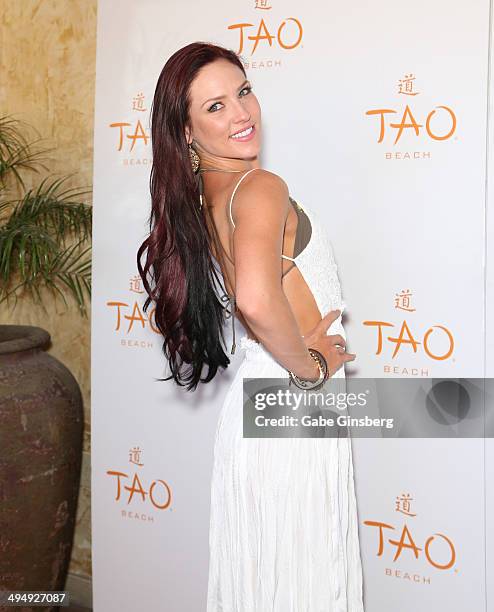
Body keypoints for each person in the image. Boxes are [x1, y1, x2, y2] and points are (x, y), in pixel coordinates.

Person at [137, 41, 365, 611]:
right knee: (307, 584)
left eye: (243, 92)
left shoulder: (206, 198)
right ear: (185, 132)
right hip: (292, 407)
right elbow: (257, 300)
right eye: (214, 107)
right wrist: (310, 371)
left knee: (270, 585)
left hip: (258, 409)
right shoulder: (259, 187)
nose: (241, 114)